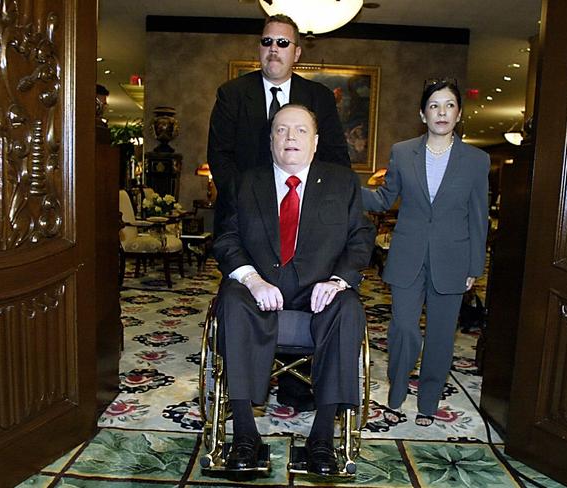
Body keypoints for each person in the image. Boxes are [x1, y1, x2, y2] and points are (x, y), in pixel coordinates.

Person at [213, 104, 374, 474]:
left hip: (321, 291)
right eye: (282, 130)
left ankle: (321, 438)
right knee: (232, 298)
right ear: (270, 140)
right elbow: (226, 239)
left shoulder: (342, 182)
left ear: (315, 142)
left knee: (348, 307)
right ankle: (244, 434)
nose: (290, 138)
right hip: (258, 289)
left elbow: (360, 239)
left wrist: (337, 281)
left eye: (300, 131)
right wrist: (252, 279)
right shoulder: (244, 182)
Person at [208, 14, 351, 411]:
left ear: (297, 52)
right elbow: (219, 156)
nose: (274, 49)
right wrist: (249, 201)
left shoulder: (319, 97)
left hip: (304, 217)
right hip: (249, 221)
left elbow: (336, 155)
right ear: (260, 47)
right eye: (267, 41)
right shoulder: (232, 93)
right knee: (250, 298)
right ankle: (251, 382)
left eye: (283, 43)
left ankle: (294, 383)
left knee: (302, 293)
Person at [362, 79, 489, 427]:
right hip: (407, 256)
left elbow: (479, 218)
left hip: (454, 260)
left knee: (440, 335)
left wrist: (474, 266)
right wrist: (345, 188)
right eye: (434, 105)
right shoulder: (403, 152)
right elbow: (384, 198)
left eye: (449, 105)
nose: (442, 112)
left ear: (459, 113)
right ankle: (397, 393)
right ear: (423, 113)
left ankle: (428, 401)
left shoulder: (477, 161)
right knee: (403, 328)